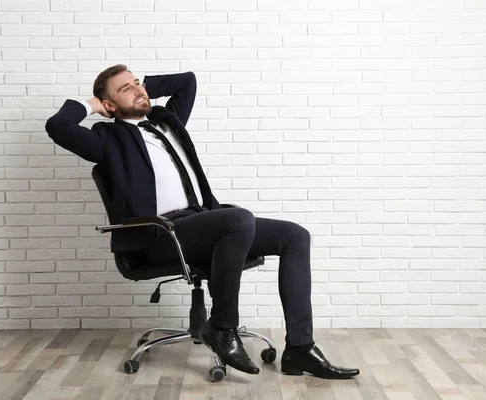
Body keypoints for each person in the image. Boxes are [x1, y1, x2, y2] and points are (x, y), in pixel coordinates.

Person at [45, 64, 360, 379]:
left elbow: (187, 83)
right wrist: (92, 105)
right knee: (237, 219)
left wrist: (139, 88)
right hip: (159, 236)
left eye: (137, 83)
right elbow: (57, 125)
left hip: (202, 223)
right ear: (109, 105)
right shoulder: (107, 138)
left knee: (295, 236)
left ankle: (300, 349)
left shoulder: (168, 122)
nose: (138, 89)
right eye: (125, 88)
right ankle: (222, 327)